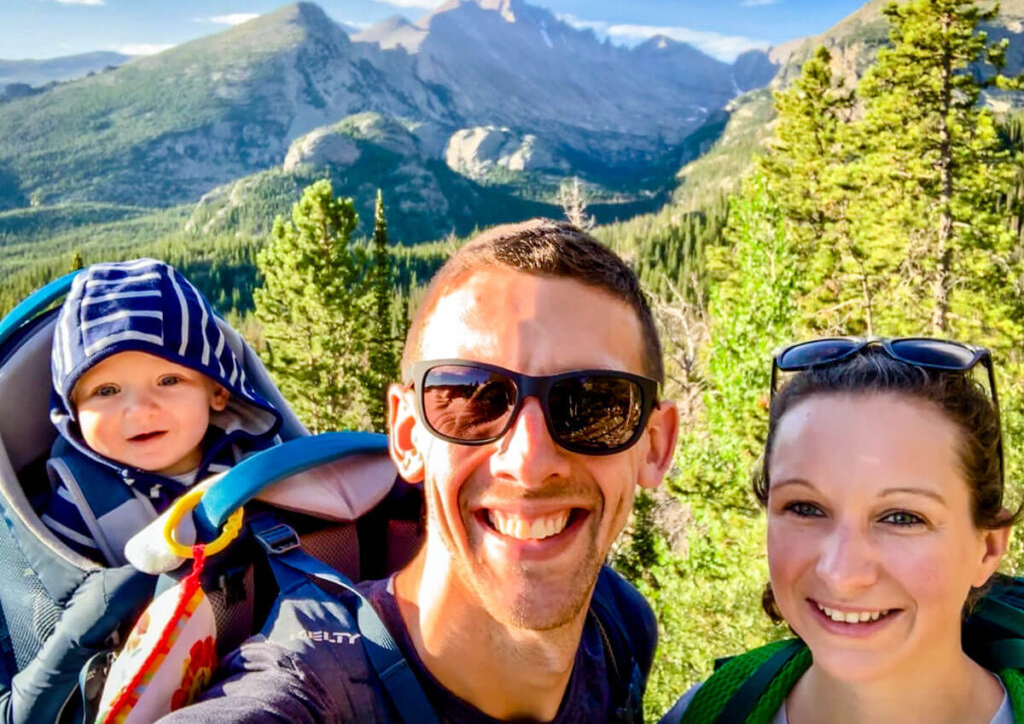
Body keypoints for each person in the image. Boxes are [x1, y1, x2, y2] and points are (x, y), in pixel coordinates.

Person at [157, 218, 680, 723]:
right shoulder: (315, 691)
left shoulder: (619, 626)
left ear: (655, 446)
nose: (529, 462)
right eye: (470, 398)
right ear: (408, 436)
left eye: (593, 407)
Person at [662, 338, 1017, 724]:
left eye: (901, 517)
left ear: (987, 548)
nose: (842, 574)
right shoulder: (708, 711)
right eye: (805, 508)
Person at [41, 257, 282, 565]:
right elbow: (61, 598)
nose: (140, 410)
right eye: (107, 391)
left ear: (218, 391)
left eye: (168, 381)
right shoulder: (82, 502)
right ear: (73, 410)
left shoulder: (251, 459)